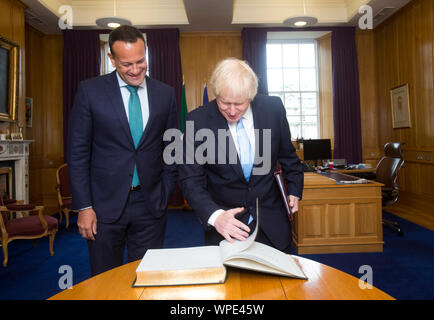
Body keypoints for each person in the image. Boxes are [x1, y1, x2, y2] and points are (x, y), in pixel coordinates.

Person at [68, 25, 178, 276]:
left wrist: (165, 191)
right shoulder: (90, 91)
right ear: (111, 59)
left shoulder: (165, 94)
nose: (136, 69)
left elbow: (172, 147)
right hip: (103, 206)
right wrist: (84, 207)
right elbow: (77, 153)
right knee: (106, 279)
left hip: (151, 203)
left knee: (148, 277)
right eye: (127, 64)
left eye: (141, 61)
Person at [178, 58, 303, 253]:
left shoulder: (273, 109)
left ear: (251, 96)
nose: (233, 111)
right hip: (225, 228)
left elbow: (289, 158)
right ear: (216, 94)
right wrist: (215, 216)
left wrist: (294, 190)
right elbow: (190, 179)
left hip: (273, 225)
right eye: (225, 103)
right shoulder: (198, 120)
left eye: (240, 104)